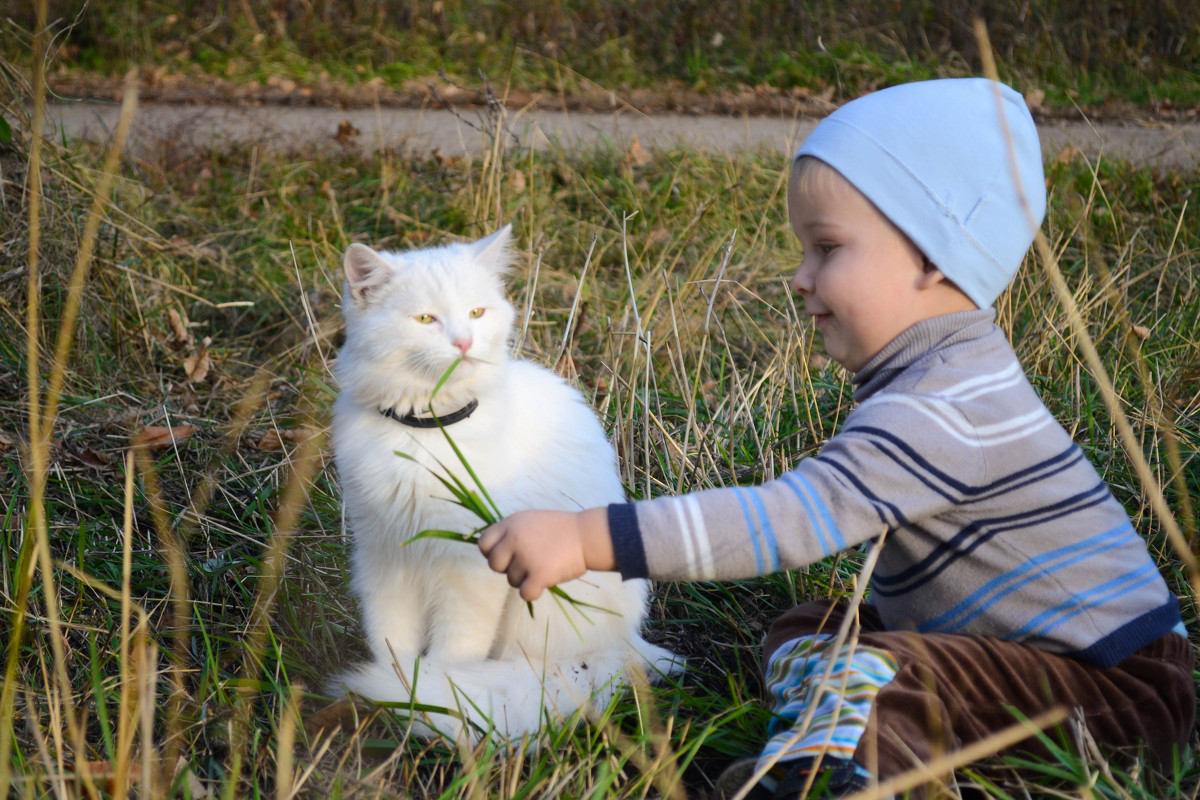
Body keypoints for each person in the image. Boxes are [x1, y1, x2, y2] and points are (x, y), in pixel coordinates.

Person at [477, 78, 1194, 798]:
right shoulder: (943, 374)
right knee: (807, 627)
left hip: (1115, 697)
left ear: (933, 252)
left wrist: (587, 538)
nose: (800, 277)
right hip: (1031, 662)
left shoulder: (942, 407)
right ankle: (837, 732)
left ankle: (827, 775)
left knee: (879, 673)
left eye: (826, 248)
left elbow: (785, 521)